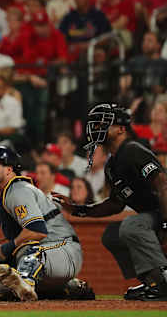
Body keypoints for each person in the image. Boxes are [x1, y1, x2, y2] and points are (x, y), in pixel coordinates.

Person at [54, 103, 167, 301]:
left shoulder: (133, 150)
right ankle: (153, 280)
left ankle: (161, 284)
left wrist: (166, 225)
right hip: (155, 214)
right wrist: (78, 209)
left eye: (104, 124)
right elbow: (116, 204)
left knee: (132, 225)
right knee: (112, 235)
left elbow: (163, 185)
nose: (97, 128)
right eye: (96, 124)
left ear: (122, 129)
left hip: (163, 212)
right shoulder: (112, 164)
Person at [0, 145, 92, 301]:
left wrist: (2, 250)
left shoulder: (18, 190)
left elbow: (37, 231)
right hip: (44, 256)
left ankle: (26, 284)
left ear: (8, 170)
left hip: (63, 248)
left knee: (30, 254)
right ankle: (65, 288)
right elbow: (19, 243)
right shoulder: (4, 203)